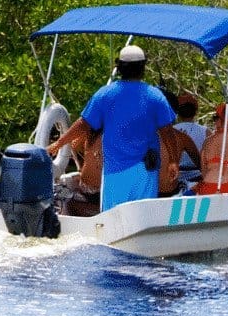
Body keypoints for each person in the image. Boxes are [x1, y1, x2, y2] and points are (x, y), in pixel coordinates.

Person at [46, 45, 175, 211]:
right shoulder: (156, 96)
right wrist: (172, 160)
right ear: (143, 68)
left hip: (115, 173)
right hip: (145, 171)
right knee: (143, 213)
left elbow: (83, 124)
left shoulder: (104, 94)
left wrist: (58, 143)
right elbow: (167, 132)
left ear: (119, 67)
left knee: (113, 218)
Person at [156, 89, 203, 197]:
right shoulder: (182, 137)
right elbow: (203, 168)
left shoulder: (140, 137)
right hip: (171, 194)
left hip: (151, 195)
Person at [171, 93, 207, 184]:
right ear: (195, 111)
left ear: (178, 113)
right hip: (199, 177)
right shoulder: (206, 131)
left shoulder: (170, 132)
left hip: (176, 179)